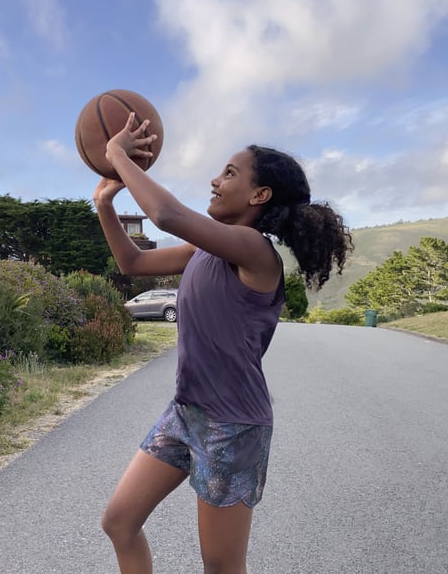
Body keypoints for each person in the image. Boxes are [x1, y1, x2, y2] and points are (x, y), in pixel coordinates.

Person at [94, 113, 353, 574]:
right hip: (185, 412)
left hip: (233, 426)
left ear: (260, 196)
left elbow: (168, 215)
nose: (215, 181)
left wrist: (117, 154)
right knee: (119, 522)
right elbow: (131, 262)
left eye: (229, 174)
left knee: (221, 568)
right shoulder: (205, 249)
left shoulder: (255, 252)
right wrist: (104, 205)